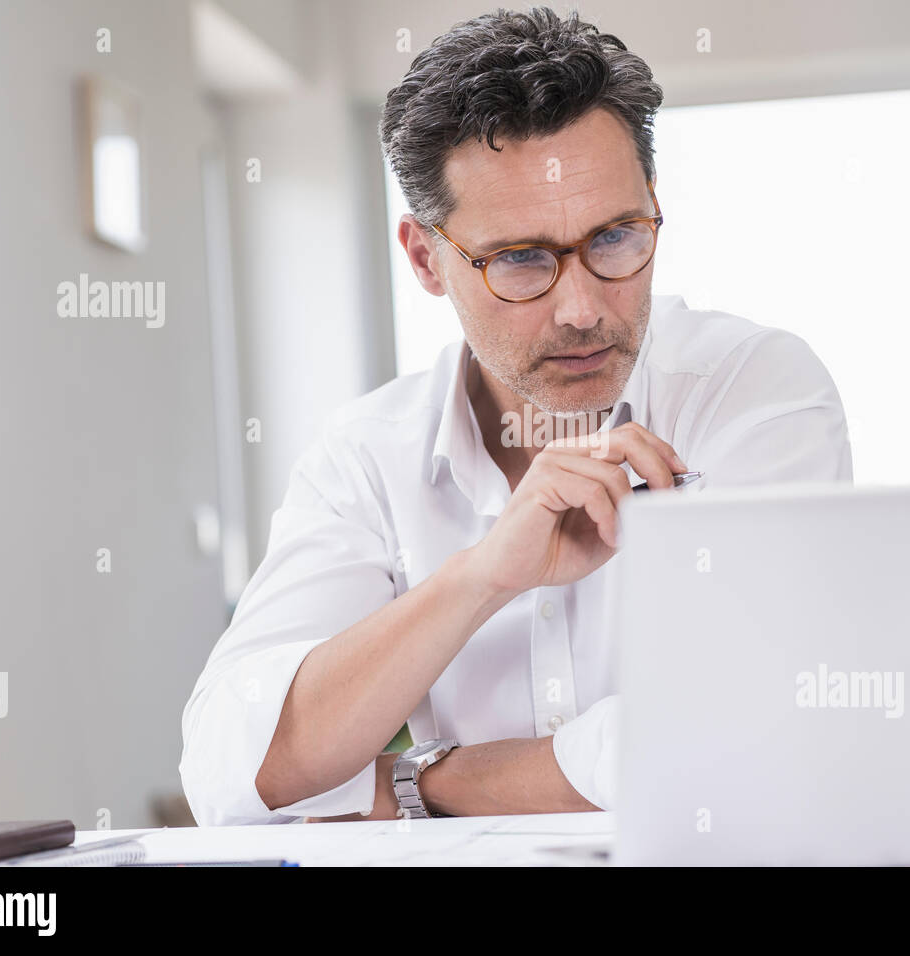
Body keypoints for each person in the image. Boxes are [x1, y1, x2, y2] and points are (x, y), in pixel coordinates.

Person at [179, 6, 852, 826]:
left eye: (614, 238)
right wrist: (484, 572)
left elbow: (752, 730)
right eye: (522, 259)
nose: (580, 308)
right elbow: (226, 768)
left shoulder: (750, 389)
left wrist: (417, 782)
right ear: (426, 259)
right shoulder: (365, 454)